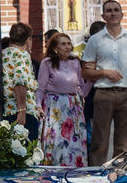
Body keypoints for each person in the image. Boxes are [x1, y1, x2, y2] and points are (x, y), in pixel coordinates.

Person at [81, 0, 127, 163]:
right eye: (109, 11)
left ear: (122, 15)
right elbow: (85, 71)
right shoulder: (95, 40)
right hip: (103, 93)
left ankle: (118, 176)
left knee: (123, 142)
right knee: (99, 141)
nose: (113, 13)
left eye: (116, 10)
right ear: (103, 16)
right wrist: (104, 72)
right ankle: (96, 175)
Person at [35, 32, 89, 167]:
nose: (67, 47)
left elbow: (81, 87)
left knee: (73, 142)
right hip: (55, 105)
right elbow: (40, 87)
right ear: (55, 48)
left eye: (69, 43)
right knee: (56, 140)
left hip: (73, 106)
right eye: (63, 44)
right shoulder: (47, 63)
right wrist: (38, 106)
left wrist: (92, 81)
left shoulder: (75, 62)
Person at [2, 22, 39, 140]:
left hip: (7, 111)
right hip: (22, 113)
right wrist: (22, 110)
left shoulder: (3, 53)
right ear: (28, 40)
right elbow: (20, 82)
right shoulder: (22, 55)